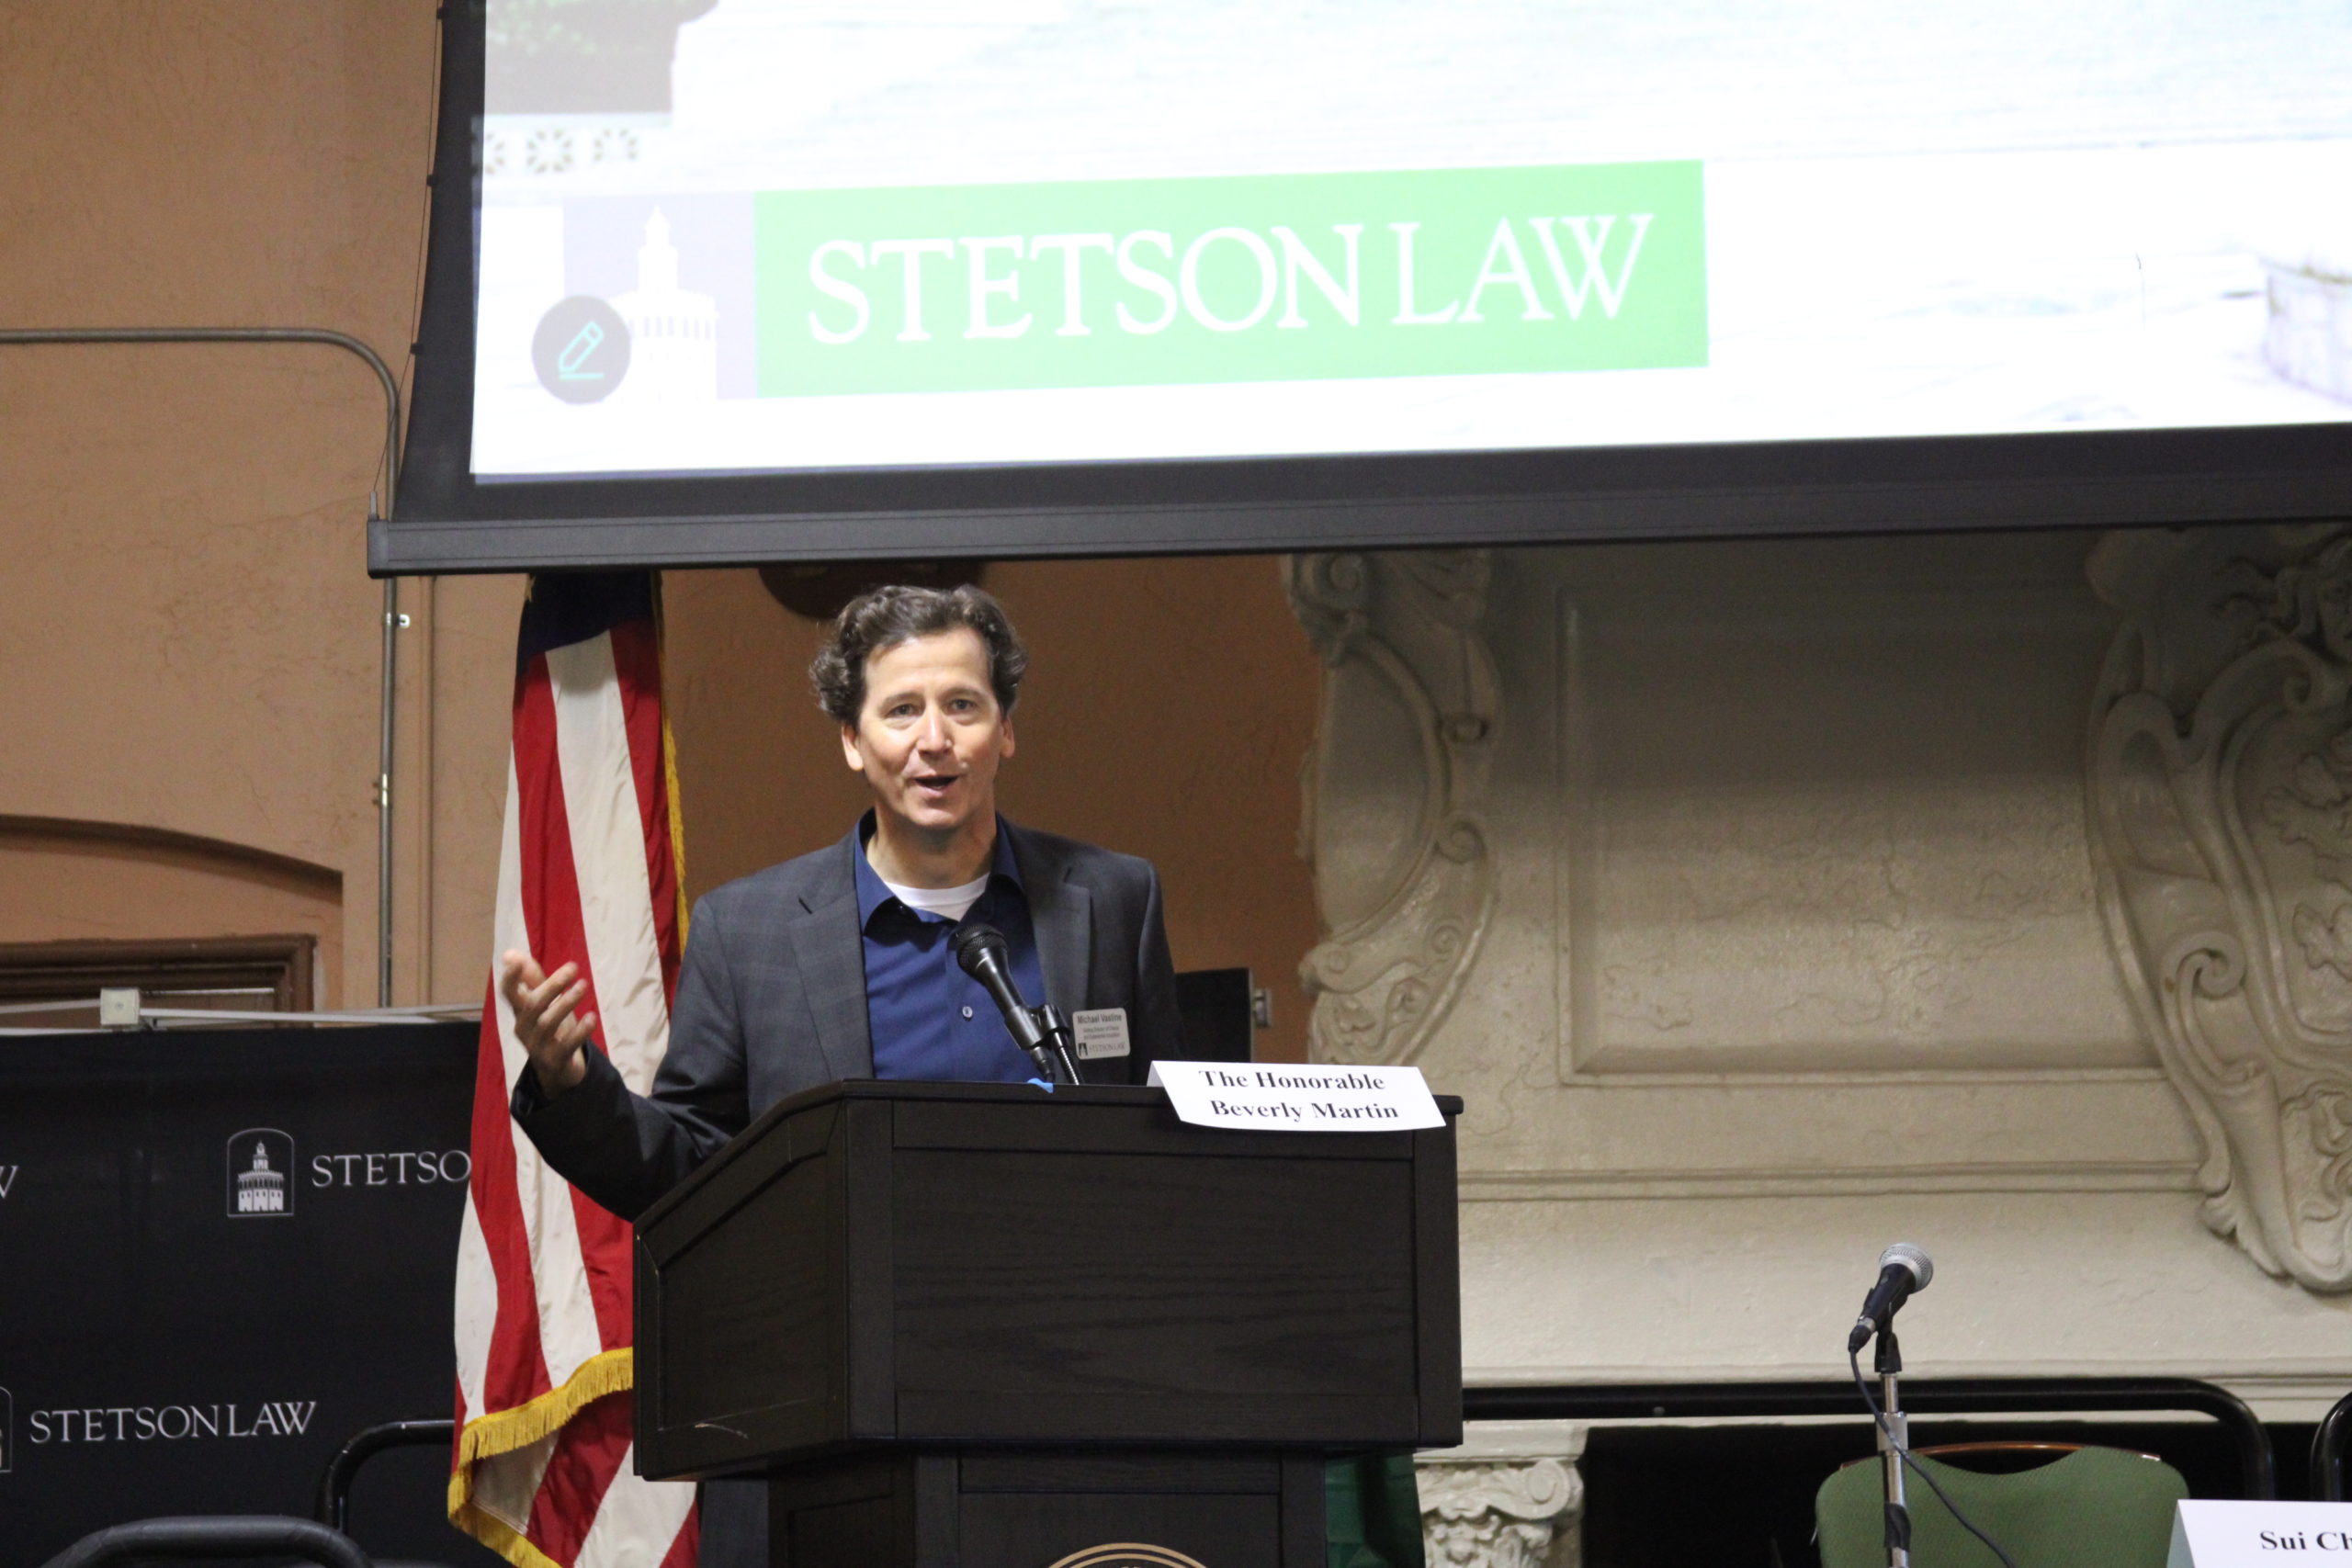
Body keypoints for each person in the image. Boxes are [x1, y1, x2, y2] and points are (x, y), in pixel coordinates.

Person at [499, 583, 1185, 1567]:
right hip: (829, 1432)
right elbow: (696, 1176)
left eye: (962, 705)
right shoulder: (752, 931)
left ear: (1005, 731)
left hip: (1065, 1421)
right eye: (901, 710)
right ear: (854, 742)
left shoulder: (1111, 900)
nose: (934, 739)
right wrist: (575, 1089)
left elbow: (1172, 1155)